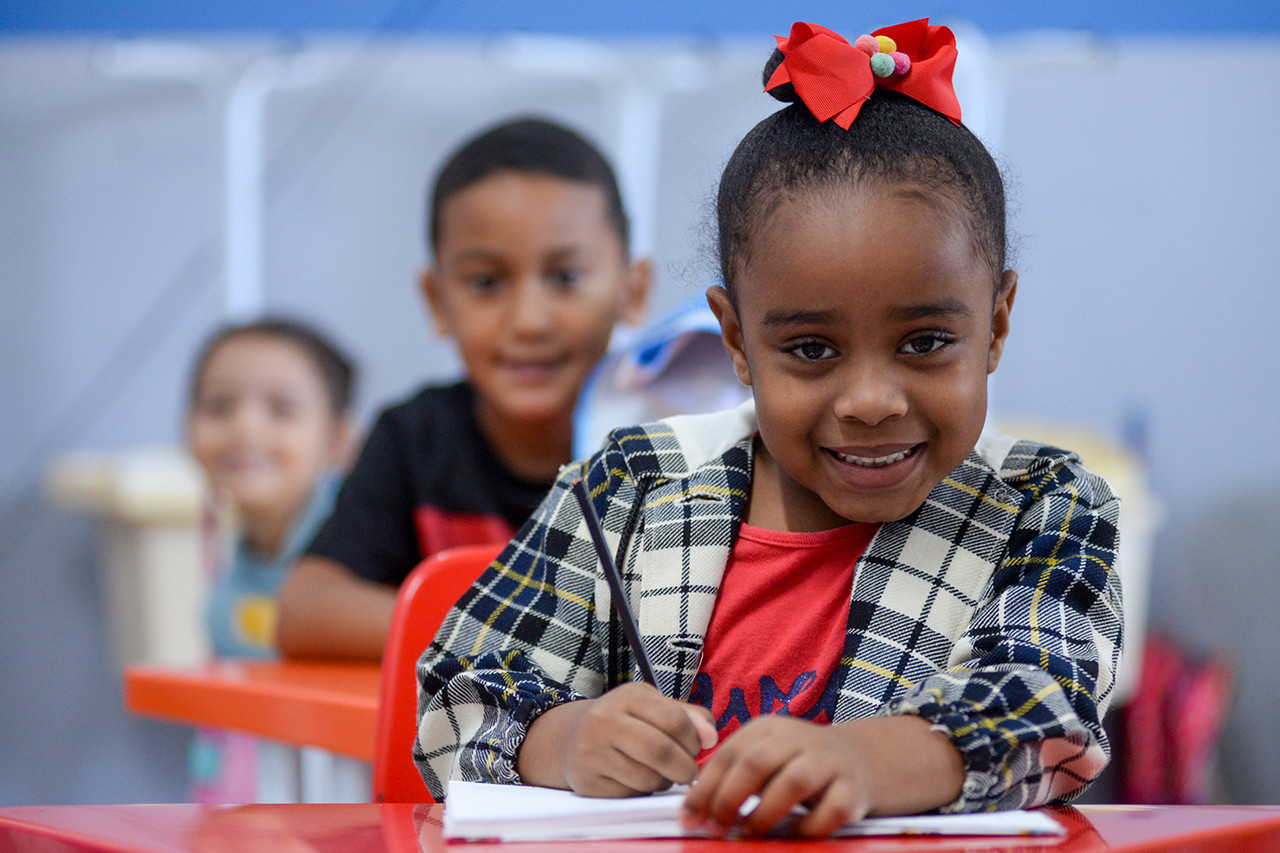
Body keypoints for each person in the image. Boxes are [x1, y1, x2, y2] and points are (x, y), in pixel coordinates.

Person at [415, 18, 1123, 838]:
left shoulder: (1045, 505)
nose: (869, 400)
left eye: (925, 342)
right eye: (811, 349)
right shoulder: (628, 486)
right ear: (737, 342)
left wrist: (866, 761)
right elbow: (455, 693)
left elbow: (1049, 709)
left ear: (996, 323)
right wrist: (564, 740)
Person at [276, 117, 650, 660]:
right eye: (486, 282)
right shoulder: (414, 440)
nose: (528, 321)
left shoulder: (669, 444)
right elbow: (305, 612)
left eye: (565, 277)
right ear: (437, 301)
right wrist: (505, 635)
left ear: (632, 290)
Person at [186, 317, 356, 799]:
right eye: (218, 406)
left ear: (338, 440)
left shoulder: (352, 549)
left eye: (281, 409)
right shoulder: (224, 549)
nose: (245, 428)